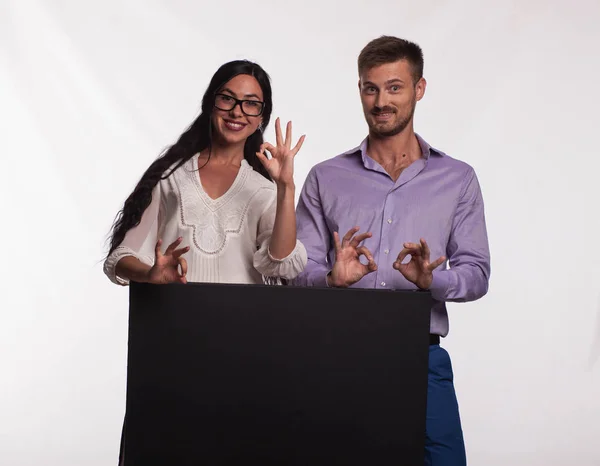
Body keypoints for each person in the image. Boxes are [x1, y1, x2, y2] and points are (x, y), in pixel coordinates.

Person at [293, 36, 491, 465]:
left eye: (395, 87)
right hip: (336, 353)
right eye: (370, 88)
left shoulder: (457, 179)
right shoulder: (325, 178)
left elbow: (477, 273)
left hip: (420, 355)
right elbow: (296, 269)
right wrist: (331, 279)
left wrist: (431, 280)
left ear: (419, 89)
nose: (381, 101)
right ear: (360, 90)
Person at [104, 60, 307, 288]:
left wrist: (286, 187)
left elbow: (281, 263)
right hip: (173, 318)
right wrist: (151, 273)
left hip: (243, 320)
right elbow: (121, 256)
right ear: (211, 103)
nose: (237, 111)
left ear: (262, 117)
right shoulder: (170, 177)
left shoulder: (265, 190)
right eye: (227, 98)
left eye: (251, 103)